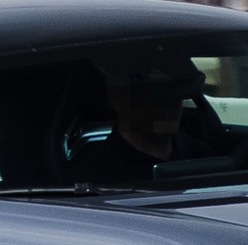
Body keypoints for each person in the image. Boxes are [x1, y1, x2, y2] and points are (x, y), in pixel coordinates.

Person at [70, 63, 214, 186]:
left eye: (173, 98)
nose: (165, 108)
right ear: (118, 101)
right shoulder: (96, 170)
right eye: (151, 100)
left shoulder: (201, 156)